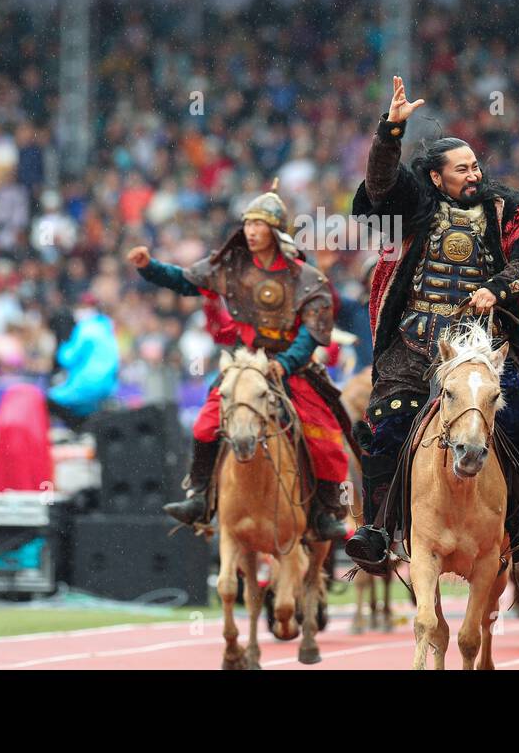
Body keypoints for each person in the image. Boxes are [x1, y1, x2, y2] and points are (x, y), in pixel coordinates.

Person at [344, 76, 519, 573]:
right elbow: (379, 183)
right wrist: (390, 131)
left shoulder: (507, 209)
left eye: (475, 166)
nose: (474, 174)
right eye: (462, 169)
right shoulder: (415, 207)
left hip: (484, 348)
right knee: (388, 426)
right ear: (436, 178)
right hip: (414, 346)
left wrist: (498, 288)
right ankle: (377, 529)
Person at [127, 187, 351, 541]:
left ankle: (325, 511)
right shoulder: (231, 267)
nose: (250, 230)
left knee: (323, 437)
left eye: (259, 224)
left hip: (291, 369)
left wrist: (287, 363)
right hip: (245, 364)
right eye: (248, 223)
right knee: (204, 426)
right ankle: (199, 497)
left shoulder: (308, 279)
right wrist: (149, 267)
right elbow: (185, 281)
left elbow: (312, 332)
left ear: (275, 231)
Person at [46, 295, 120, 430]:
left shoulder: (85, 328)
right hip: (108, 386)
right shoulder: (107, 327)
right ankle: (83, 431)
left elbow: (67, 359)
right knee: (84, 411)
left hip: (87, 384)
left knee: (50, 400)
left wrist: (63, 344)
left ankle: (79, 431)